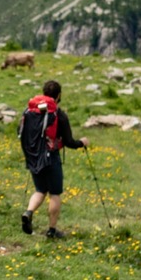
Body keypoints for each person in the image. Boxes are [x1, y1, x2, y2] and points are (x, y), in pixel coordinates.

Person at [20, 79, 87, 239]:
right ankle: (52, 230)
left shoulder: (29, 111)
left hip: (34, 157)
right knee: (55, 194)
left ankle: (28, 212)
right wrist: (82, 143)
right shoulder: (58, 114)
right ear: (58, 96)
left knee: (40, 190)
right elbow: (69, 142)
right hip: (51, 158)